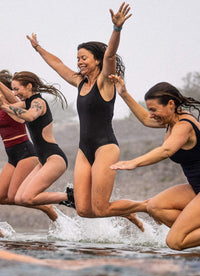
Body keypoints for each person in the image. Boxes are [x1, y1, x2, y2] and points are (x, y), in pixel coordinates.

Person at [26, 2, 144, 231]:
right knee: (84, 210)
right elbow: (57, 64)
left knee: (100, 208)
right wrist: (38, 48)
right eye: (78, 58)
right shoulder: (80, 82)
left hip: (105, 147)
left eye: (84, 58)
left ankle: (145, 206)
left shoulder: (105, 82)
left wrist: (116, 29)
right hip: (84, 149)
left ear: (97, 60)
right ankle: (128, 211)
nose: (78, 62)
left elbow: (110, 54)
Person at [109, 74, 200, 251]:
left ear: (171, 105)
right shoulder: (170, 121)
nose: (151, 114)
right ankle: (189, 232)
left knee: (175, 242)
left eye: (154, 109)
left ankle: (184, 234)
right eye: (150, 109)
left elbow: (166, 150)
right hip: (196, 187)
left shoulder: (184, 125)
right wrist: (124, 94)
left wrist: (134, 162)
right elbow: (144, 119)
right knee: (155, 207)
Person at [0, 71, 75, 210]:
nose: (15, 93)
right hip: (43, 160)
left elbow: (30, 116)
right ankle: (70, 198)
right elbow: (11, 106)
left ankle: (71, 196)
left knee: (28, 197)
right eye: (13, 90)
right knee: (19, 198)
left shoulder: (38, 102)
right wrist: (3, 104)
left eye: (17, 89)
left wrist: (4, 106)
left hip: (54, 158)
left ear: (29, 86)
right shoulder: (26, 103)